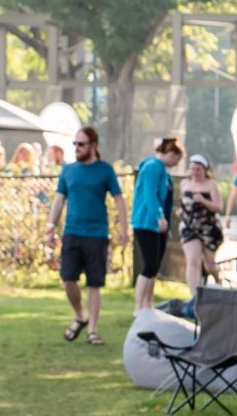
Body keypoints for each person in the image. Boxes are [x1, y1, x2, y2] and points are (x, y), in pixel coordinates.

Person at [46, 124, 124, 343]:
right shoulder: (68, 170)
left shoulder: (105, 170)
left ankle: (92, 330)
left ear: (93, 145)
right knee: (68, 279)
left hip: (96, 234)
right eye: (75, 144)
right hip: (72, 232)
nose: (77, 148)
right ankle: (80, 316)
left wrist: (125, 229)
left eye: (81, 144)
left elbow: (119, 199)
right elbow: (59, 200)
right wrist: (50, 228)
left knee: (94, 284)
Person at [129, 135, 180, 312]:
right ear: (171, 153)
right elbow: (150, 194)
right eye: (177, 158)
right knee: (149, 265)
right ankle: (139, 307)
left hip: (158, 226)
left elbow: (165, 200)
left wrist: (166, 226)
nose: (176, 163)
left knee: (155, 266)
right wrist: (158, 216)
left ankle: (147, 305)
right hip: (146, 223)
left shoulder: (164, 172)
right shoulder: (153, 167)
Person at [177, 153, 225, 290]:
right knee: (192, 261)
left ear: (205, 170)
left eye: (198, 169)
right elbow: (183, 203)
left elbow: (218, 207)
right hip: (189, 227)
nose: (195, 172)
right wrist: (181, 211)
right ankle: (195, 297)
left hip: (208, 228)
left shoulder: (211, 185)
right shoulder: (184, 184)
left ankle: (218, 282)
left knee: (209, 265)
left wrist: (203, 200)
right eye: (192, 169)